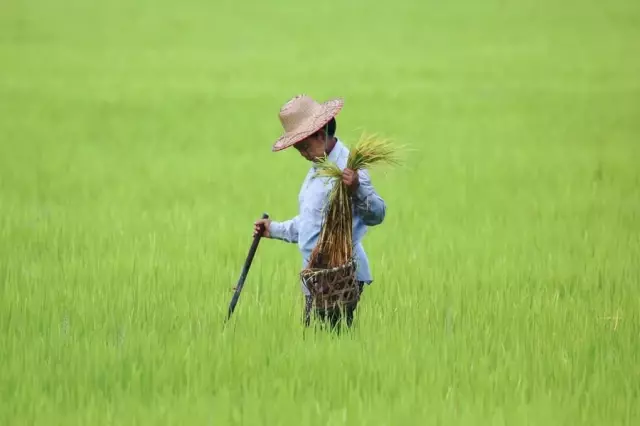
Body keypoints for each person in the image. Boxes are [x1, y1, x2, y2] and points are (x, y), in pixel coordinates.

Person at [253, 94, 386, 330]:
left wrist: (356, 189)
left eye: (305, 146)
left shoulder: (349, 167)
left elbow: (377, 214)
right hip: (316, 276)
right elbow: (311, 225)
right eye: (298, 149)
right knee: (318, 341)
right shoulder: (318, 167)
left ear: (321, 133)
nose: (303, 153)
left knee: (334, 339)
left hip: (341, 275)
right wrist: (273, 229)